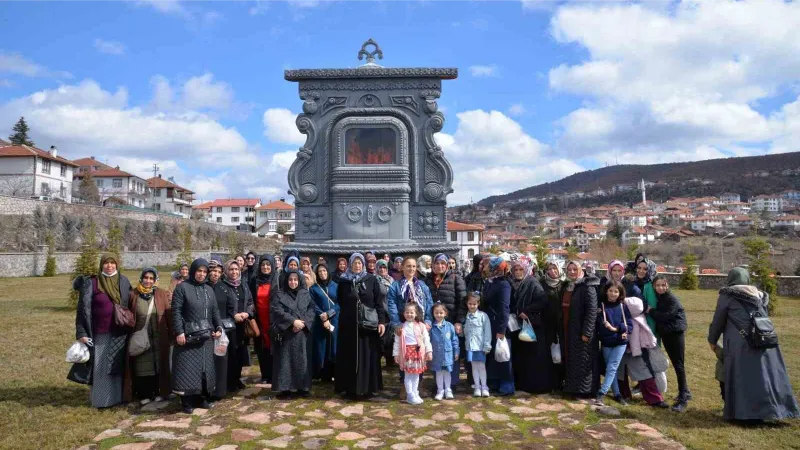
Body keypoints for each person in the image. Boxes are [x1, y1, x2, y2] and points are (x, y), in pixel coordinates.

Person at [708, 267, 799, 422]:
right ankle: (773, 410)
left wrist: (712, 340)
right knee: (764, 376)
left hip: (740, 344)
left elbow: (718, 321)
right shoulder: (760, 295)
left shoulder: (727, 296)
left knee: (743, 378)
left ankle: (745, 414)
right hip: (763, 340)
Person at [72, 254, 132, 408]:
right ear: (101, 265)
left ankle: (117, 398)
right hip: (100, 332)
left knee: (116, 367)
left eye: (113, 263)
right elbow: (82, 310)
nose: (109, 266)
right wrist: (82, 333)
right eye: (106, 263)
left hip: (120, 332)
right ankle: (101, 401)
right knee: (100, 367)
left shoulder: (124, 281)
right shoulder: (92, 283)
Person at [171, 258, 224, 413]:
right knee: (186, 369)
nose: (201, 274)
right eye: (199, 271)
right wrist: (179, 332)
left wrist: (219, 327)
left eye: (204, 272)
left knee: (203, 369)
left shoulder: (208, 290)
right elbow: (176, 311)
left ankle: (201, 398)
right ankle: (186, 401)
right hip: (188, 337)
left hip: (206, 337)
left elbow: (214, 311)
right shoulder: (182, 288)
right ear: (193, 271)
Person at [335, 253, 387, 398]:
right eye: (354, 263)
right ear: (350, 264)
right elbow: (340, 301)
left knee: (367, 355)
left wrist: (381, 322)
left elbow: (379, 302)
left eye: (359, 263)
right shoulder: (344, 281)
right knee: (349, 356)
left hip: (367, 326)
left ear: (363, 264)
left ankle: (367, 388)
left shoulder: (371, 279)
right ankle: (350, 388)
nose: (357, 266)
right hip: (349, 325)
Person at [127, 267, 173, 405]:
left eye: (151, 278)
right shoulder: (134, 295)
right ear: (141, 279)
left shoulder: (161, 294)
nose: (148, 281)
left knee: (158, 364)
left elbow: (168, 314)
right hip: (141, 337)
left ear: (155, 280)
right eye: (146, 278)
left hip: (159, 337)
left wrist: (171, 333)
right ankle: (144, 394)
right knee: (142, 366)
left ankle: (158, 391)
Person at [509, 260, 555, 394]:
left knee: (534, 357)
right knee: (522, 356)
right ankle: (522, 384)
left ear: (526, 270)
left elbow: (542, 300)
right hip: (519, 324)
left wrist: (527, 310)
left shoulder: (532, 282)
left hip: (533, 325)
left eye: (520, 270)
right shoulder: (513, 283)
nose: (518, 272)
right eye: (515, 270)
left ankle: (537, 386)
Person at [646, 275, 691, 412]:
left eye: (663, 285)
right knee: (676, 363)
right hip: (667, 334)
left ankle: (683, 397)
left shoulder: (671, 299)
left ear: (667, 286)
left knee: (679, 364)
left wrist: (650, 311)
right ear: (654, 286)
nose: (660, 288)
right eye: (658, 285)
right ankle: (686, 392)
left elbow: (666, 316)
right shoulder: (661, 298)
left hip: (675, 334)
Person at [616, 296, 669, 408]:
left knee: (644, 375)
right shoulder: (637, 317)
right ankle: (624, 394)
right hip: (623, 349)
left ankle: (655, 399)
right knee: (621, 374)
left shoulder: (635, 320)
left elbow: (635, 338)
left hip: (634, 351)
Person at [425, 253, 467, 389]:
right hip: (434, 323)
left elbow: (463, 301)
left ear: (447, 265)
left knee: (451, 352)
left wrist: (459, 321)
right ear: (433, 265)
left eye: (443, 263)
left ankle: (451, 383)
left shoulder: (456, 278)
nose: (440, 266)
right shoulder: (428, 280)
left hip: (451, 323)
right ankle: (439, 384)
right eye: (437, 263)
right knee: (436, 352)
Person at [270, 270, 316, 397]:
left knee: (302, 361)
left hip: (302, 333)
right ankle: (285, 389)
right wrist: (292, 322)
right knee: (285, 361)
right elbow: (277, 310)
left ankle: (303, 387)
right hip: (286, 333)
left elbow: (312, 310)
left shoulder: (305, 294)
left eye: (295, 279)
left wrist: (303, 323)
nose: (293, 282)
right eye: (290, 279)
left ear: (299, 280)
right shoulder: (279, 294)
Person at [562, 260, 600, 397]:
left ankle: (586, 391)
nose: (572, 272)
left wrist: (587, 332)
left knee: (584, 362)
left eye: (574, 269)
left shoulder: (587, 286)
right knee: (574, 361)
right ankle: (573, 389)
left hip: (583, 332)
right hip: (571, 330)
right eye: (569, 269)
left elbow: (591, 311)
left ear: (581, 271)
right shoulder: (569, 286)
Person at [594, 281, 632, 406]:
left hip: (620, 342)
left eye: (616, 291)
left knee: (612, 367)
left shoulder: (623, 306)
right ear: (606, 291)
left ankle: (601, 393)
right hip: (606, 342)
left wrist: (615, 329)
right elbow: (599, 324)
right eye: (611, 291)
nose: (613, 294)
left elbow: (629, 325)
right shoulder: (601, 306)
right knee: (612, 370)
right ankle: (617, 394)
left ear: (620, 293)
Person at [482, 257, 514, 396]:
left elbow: (504, 308)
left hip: (499, 324)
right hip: (490, 322)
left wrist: (502, 330)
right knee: (493, 355)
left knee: (503, 355)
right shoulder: (490, 282)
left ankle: (507, 385)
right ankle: (494, 382)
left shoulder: (504, 284)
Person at [221, 260, 254, 392]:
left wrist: (247, 313)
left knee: (241, 352)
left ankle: (237, 379)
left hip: (243, 324)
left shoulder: (244, 285)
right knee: (231, 354)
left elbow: (250, 302)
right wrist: (233, 315)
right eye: (231, 269)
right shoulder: (223, 286)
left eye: (236, 269)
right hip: (229, 326)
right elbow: (222, 305)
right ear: (226, 271)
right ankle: (229, 381)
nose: (234, 272)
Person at [393, 303, 432, 404]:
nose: (409, 314)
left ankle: (415, 392)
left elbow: (426, 339)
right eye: (407, 312)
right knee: (408, 375)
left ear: (416, 313)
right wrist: (396, 354)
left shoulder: (421, 326)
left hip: (418, 353)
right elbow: (397, 342)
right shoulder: (401, 327)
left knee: (416, 375)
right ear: (403, 313)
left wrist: (429, 351)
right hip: (407, 354)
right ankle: (409, 394)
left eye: (412, 312)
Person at [208, 260, 234, 399]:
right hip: (206, 329)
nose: (215, 274)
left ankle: (219, 391)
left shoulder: (224, 287)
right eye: (213, 271)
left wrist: (223, 326)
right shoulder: (203, 287)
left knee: (221, 360)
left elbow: (231, 307)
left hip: (221, 330)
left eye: (218, 272)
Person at [309, 263, 339, 381]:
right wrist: (323, 316)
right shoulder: (313, 288)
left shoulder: (335, 286)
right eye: (320, 271)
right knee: (322, 347)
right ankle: (323, 373)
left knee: (334, 346)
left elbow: (339, 303)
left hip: (335, 320)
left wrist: (329, 313)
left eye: (324, 271)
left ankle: (335, 372)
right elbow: (312, 304)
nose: (322, 273)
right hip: (320, 320)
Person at [249, 255, 275, 384]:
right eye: (263, 265)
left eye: (268, 265)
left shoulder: (277, 280)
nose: (265, 267)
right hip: (259, 319)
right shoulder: (255, 281)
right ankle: (265, 374)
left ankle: (275, 373)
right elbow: (250, 299)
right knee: (261, 347)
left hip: (273, 319)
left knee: (274, 346)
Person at [387, 257, 433, 328]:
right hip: (403, 325)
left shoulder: (422, 285)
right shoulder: (395, 286)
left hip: (422, 325)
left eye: (413, 266)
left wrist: (428, 321)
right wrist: (397, 324)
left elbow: (429, 303)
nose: (411, 269)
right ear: (402, 267)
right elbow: (392, 306)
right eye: (408, 266)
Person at [463, 292, 492, 397]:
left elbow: (487, 332)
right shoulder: (466, 317)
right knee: (474, 367)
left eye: (474, 304)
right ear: (467, 304)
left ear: (478, 304)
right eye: (470, 304)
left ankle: (484, 386)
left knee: (481, 366)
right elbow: (465, 331)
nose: (472, 306)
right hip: (470, 347)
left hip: (480, 346)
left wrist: (487, 345)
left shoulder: (483, 316)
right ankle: (477, 386)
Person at [542, 262, 565, 389]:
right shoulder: (542, 283)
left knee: (562, 351)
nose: (552, 271)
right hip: (548, 323)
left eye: (554, 268)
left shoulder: (565, 284)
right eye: (549, 268)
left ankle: (561, 380)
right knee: (548, 351)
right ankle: (550, 381)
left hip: (562, 323)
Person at [429, 303, 459, 400]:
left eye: (441, 313)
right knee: (439, 373)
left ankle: (448, 389)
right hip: (436, 355)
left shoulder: (450, 326)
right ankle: (440, 390)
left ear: (445, 313)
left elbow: (454, 340)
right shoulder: (431, 328)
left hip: (448, 354)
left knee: (447, 372)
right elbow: (428, 341)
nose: (438, 315)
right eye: (436, 313)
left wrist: (456, 351)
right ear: (433, 314)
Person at [375, 259, 396, 366]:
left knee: (391, 338)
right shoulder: (374, 280)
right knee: (381, 339)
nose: (382, 269)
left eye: (384, 267)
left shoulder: (392, 280)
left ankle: (390, 362)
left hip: (391, 314)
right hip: (381, 314)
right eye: (380, 267)